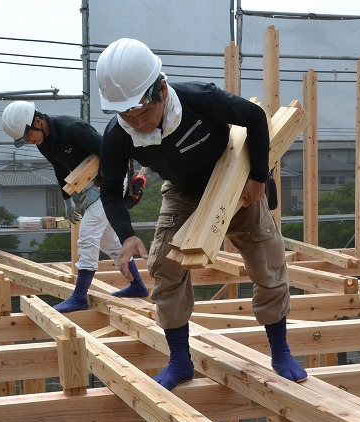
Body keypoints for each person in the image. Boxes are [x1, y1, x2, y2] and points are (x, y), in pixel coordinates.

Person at [95, 38, 307, 390]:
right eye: (128, 115)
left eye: (144, 112)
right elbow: (110, 191)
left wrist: (258, 177)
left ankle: (280, 350)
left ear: (161, 90)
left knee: (266, 259)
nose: (139, 123)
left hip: (233, 180)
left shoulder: (199, 99)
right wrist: (127, 235)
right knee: (164, 265)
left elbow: (254, 118)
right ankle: (180, 360)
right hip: (183, 192)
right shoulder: (119, 135)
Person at [1, 100, 148, 311]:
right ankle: (137, 286)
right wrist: (67, 199)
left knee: (87, 234)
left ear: (38, 121)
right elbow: (60, 169)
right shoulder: (44, 143)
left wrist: (98, 187)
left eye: (27, 135)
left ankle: (79, 297)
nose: (28, 141)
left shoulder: (72, 129)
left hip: (114, 179)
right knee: (107, 241)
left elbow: (110, 154)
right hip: (91, 183)